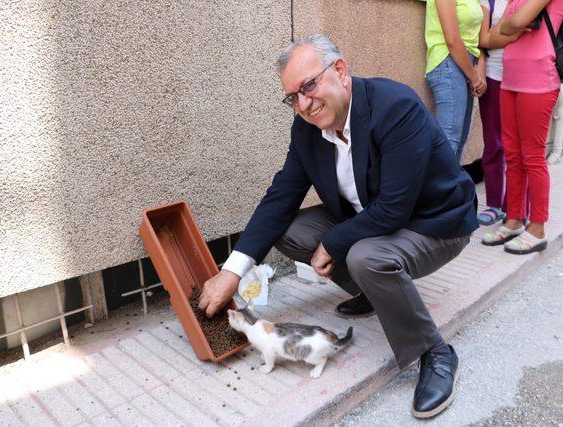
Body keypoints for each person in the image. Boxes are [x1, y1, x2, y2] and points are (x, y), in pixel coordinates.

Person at [198, 35, 478, 418]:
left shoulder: (395, 107)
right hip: (373, 220)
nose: (304, 104)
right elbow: (281, 197)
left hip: (434, 222)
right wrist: (233, 271)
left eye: (308, 86)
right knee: (290, 229)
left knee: (365, 255)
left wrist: (332, 241)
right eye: (292, 97)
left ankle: (435, 352)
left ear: (341, 72)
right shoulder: (307, 130)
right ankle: (375, 292)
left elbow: (394, 209)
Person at [481, 0, 563, 254]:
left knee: (532, 156)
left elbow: (513, 23)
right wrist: (512, 25)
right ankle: (514, 221)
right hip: (510, 79)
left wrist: (512, 26)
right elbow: (494, 34)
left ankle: (537, 228)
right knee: (513, 154)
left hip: (539, 81)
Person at [476, 0, 524, 226]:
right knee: (494, 144)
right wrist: (512, 33)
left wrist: (499, 34)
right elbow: (483, 39)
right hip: (495, 75)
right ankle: (494, 204)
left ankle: (514, 207)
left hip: (524, 77)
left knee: (519, 147)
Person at [425, 0, 487, 161]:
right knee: (449, 141)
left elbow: (476, 38)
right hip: (447, 61)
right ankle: (439, 186)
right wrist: (474, 77)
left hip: (466, 64)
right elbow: (452, 39)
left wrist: (478, 68)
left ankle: (450, 185)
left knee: (459, 141)